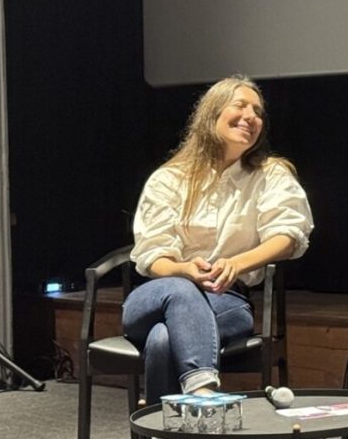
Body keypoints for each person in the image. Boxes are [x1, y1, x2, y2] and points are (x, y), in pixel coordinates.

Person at [122, 76, 314, 404]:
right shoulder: (170, 178)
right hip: (158, 295)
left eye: (258, 111)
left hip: (227, 300)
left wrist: (236, 263)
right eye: (240, 105)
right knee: (180, 289)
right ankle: (203, 390)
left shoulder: (271, 175)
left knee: (163, 340)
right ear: (211, 114)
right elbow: (153, 255)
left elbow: (289, 235)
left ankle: (160, 429)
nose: (251, 116)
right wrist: (184, 270)